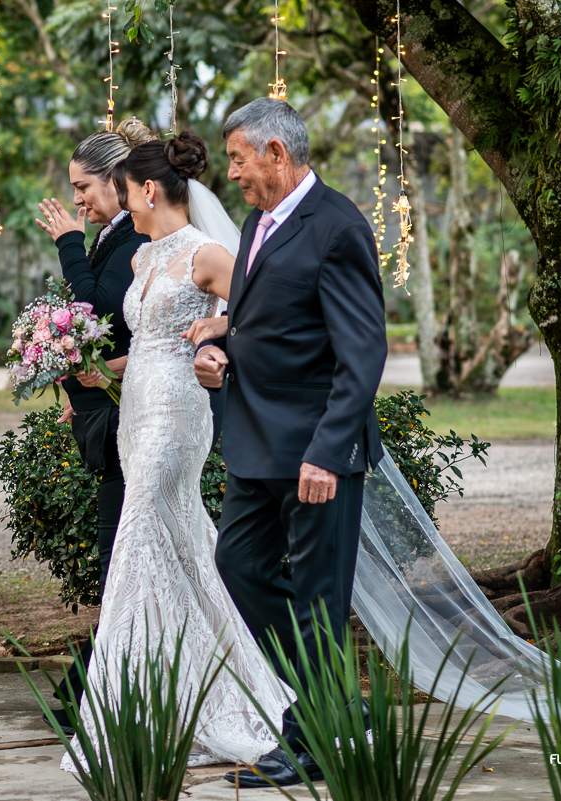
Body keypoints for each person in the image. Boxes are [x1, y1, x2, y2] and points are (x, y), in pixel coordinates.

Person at [61, 130, 297, 771]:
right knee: (183, 550)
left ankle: (123, 713)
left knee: (136, 543)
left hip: (178, 418)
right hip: (135, 411)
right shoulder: (142, 259)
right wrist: (98, 369)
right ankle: (203, 689)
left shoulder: (206, 253)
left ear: (145, 188)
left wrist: (220, 335)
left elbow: (264, 314)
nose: (117, 201)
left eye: (122, 190)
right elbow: (147, 342)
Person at [191, 98, 388, 787]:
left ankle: (312, 738)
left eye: (240, 158)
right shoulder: (256, 221)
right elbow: (256, 323)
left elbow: (361, 353)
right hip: (253, 440)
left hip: (316, 453)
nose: (234, 174)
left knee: (318, 600)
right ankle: (335, 701)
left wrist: (328, 451)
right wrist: (219, 353)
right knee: (239, 565)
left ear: (277, 152)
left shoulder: (337, 227)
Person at [32, 117, 155, 730]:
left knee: (122, 558)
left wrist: (68, 242)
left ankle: (95, 688)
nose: (77, 199)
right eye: (74, 189)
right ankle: (98, 685)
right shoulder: (117, 233)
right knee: (121, 558)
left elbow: (96, 310)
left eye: (84, 187)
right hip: (106, 415)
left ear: (117, 179)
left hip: (132, 416)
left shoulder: (135, 237)